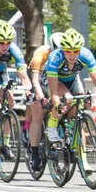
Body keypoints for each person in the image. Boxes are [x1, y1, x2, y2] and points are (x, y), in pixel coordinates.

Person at [46, 29, 96, 173]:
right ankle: (51, 126)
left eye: (75, 51)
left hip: (72, 80)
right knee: (67, 100)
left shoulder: (86, 55)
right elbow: (54, 92)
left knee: (78, 116)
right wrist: (58, 104)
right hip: (54, 81)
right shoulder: (54, 58)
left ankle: (83, 160)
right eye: (68, 51)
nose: (71, 55)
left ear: (80, 50)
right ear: (63, 50)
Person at [25, 32, 64, 172]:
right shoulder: (41, 54)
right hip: (36, 77)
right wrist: (41, 97)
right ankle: (35, 152)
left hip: (53, 77)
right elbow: (35, 81)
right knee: (39, 114)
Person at [0, 20, 31, 160]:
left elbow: (23, 75)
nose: (5, 46)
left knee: (10, 102)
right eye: (1, 42)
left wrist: (29, 90)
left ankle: (6, 144)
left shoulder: (14, 50)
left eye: (8, 42)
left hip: (1, 73)